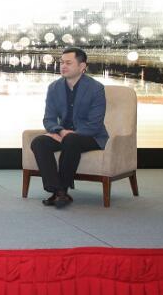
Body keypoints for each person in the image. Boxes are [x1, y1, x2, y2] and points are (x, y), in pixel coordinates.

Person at [30, 47, 108, 208]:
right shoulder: (54, 87)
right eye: (61, 63)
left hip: (91, 136)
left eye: (68, 63)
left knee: (71, 139)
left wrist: (68, 134)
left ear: (82, 66)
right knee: (39, 142)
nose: (63, 66)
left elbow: (95, 124)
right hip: (64, 134)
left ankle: (60, 192)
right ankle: (58, 190)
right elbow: (49, 119)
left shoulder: (96, 88)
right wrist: (59, 131)